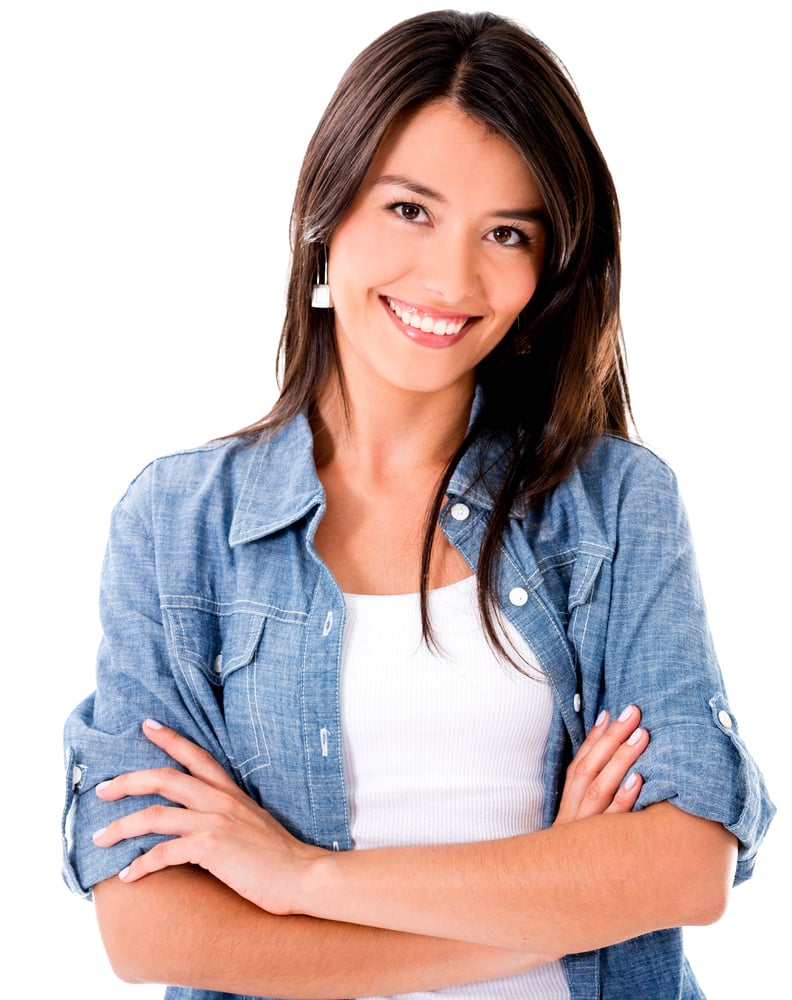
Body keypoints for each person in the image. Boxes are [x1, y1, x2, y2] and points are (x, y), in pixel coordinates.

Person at [62, 10, 774, 1000]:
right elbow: (149, 927)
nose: (450, 276)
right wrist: (545, 912)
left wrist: (300, 876)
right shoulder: (180, 524)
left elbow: (685, 866)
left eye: (507, 233)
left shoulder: (612, 504)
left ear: (546, 273)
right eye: (410, 209)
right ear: (328, 212)